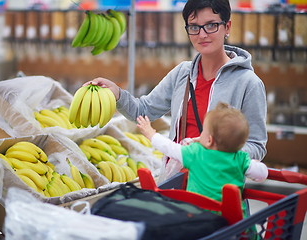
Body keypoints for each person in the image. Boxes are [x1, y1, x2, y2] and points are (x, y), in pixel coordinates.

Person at [85, 0, 267, 181]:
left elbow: (257, 147)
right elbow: (143, 111)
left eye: (211, 25)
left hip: (217, 188)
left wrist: (214, 152)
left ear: (227, 27)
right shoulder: (182, 73)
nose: (202, 34)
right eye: (194, 27)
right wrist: (116, 92)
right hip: (176, 184)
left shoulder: (248, 83)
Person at [136, 102, 268, 214]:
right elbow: (262, 174)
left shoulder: (196, 153)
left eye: (203, 130)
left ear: (209, 140)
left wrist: (151, 133)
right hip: (232, 222)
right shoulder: (240, 158)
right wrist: (254, 163)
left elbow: (169, 148)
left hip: (199, 217)